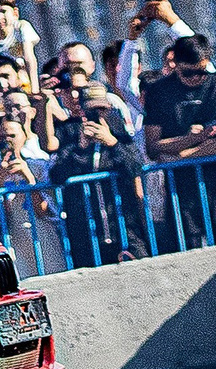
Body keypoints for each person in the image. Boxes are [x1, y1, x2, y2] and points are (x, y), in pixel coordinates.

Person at [143, 36, 216, 246]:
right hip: (180, 191)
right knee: (189, 249)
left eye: (202, 72)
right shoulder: (158, 91)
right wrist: (191, 139)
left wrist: (182, 156)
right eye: (188, 73)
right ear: (175, 64)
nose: (196, 78)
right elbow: (153, 147)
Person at [49, 99, 148, 267]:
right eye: (92, 112)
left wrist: (112, 143)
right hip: (88, 233)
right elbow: (57, 176)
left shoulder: (122, 140)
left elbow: (135, 168)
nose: (98, 117)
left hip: (124, 227)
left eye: (103, 110)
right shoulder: (71, 143)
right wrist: (81, 148)